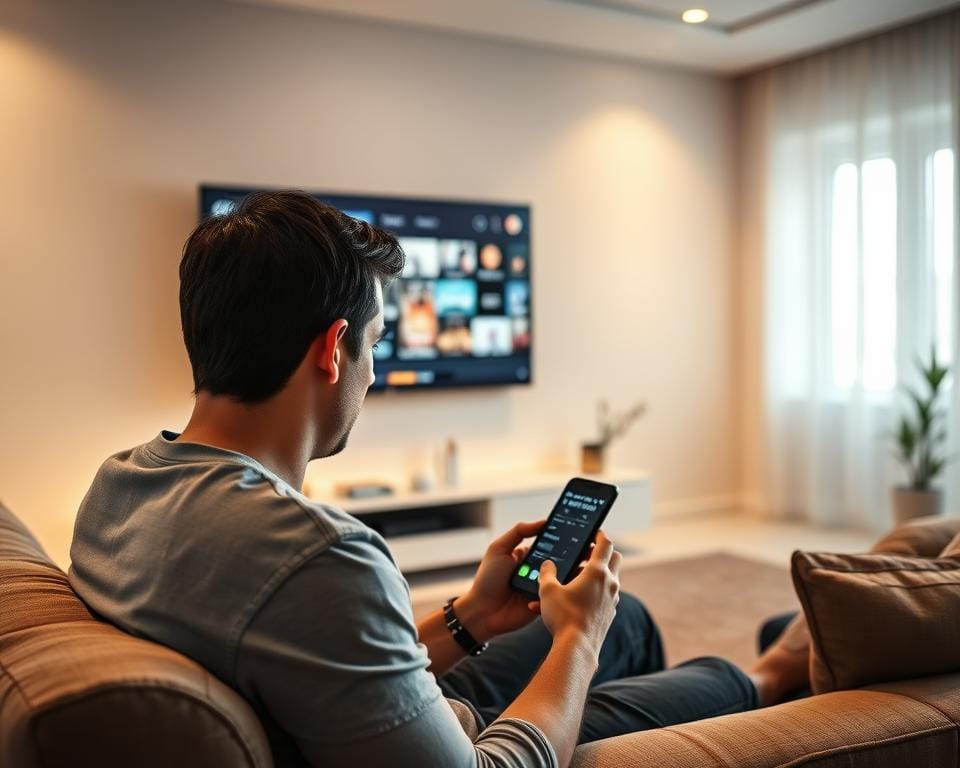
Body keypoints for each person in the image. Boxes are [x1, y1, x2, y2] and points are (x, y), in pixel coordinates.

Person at [68, 191, 807, 768]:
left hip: (360, 728)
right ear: (333, 350)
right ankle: (774, 679)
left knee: (632, 617)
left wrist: (474, 617)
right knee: (620, 645)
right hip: (461, 746)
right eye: (378, 343)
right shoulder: (321, 556)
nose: (376, 370)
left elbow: (316, 658)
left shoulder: (121, 485)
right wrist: (576, 642)